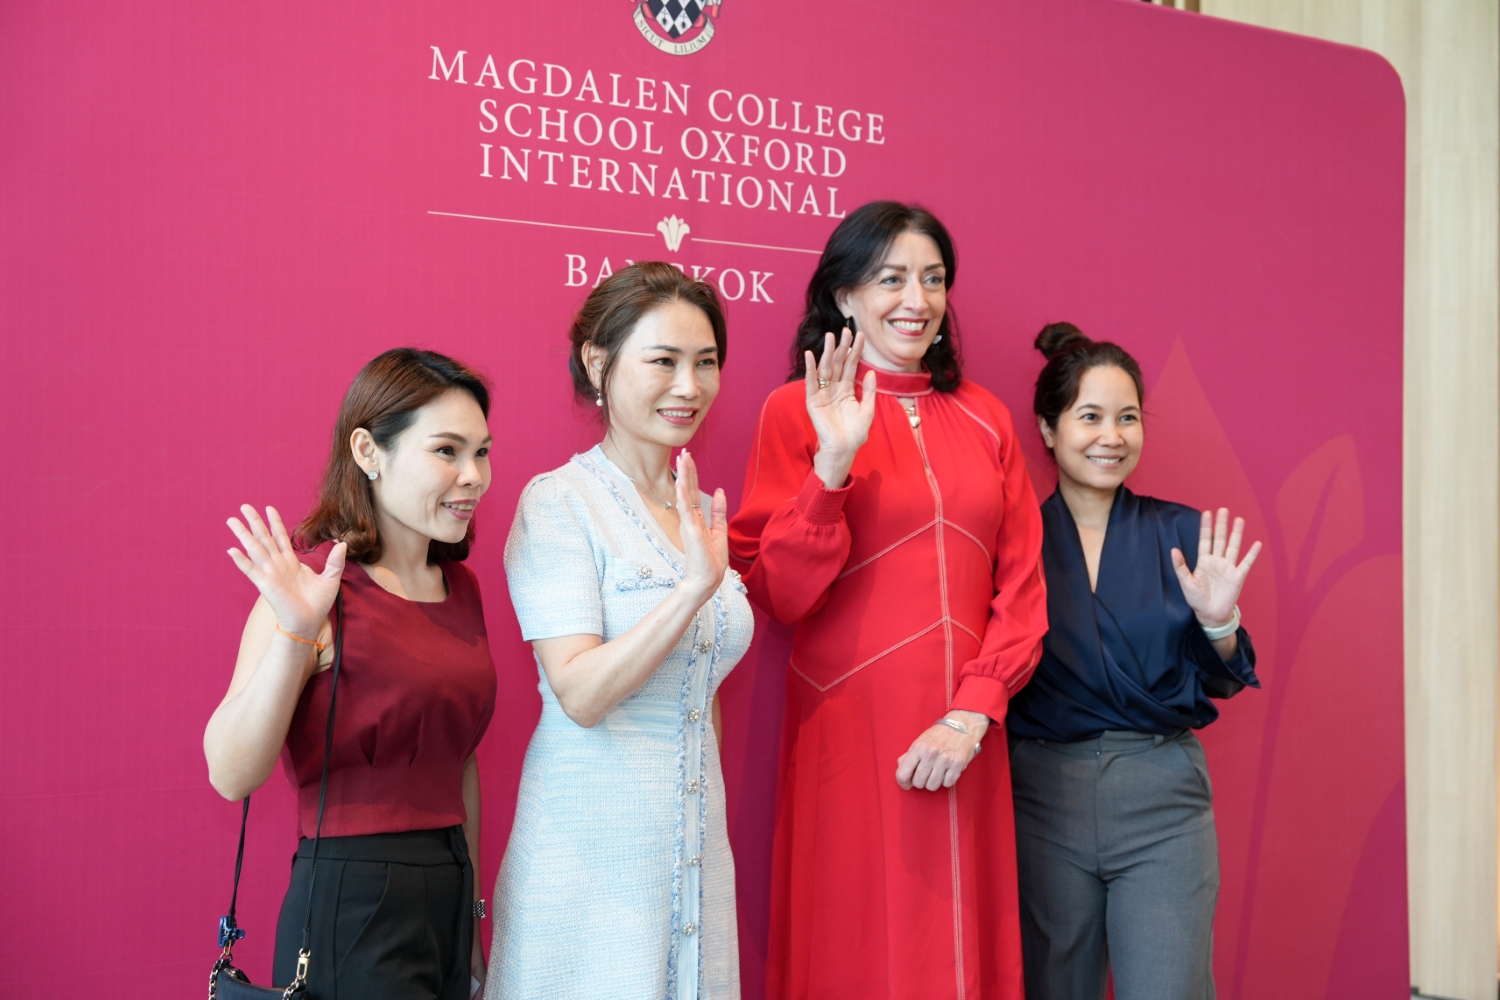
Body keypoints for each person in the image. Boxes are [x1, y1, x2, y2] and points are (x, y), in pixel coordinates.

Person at [728, 202, 1049, 999]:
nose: (917, 298)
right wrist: (832, 464)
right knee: (859, 945)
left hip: (967, 734)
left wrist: (974, 709)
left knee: (961, 944)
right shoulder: (790, 410)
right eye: (891, 278)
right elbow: (779, 594)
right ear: (843, 297)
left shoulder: (987, 416)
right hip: (850, 731)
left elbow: (1023, 586)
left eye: (933, 279)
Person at [487, 262, 750, 1000]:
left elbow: (703, 687)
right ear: (598, 363)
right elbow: (581, 692)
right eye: (663, 361)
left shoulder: (696, 506)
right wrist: (694, 588)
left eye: (705, 363)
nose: (689, 386)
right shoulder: (559, 504)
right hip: (588, 856)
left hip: (693, 855)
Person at [204, 348, 497, 999]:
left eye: (482, 452)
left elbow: (461, 762)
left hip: (448, 892)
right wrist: (295, 633)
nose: (473, 475)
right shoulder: (313, 594)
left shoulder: (464, 589)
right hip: (354, 901)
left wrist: (472, 913)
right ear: (368, 451)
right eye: (447, 451)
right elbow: (230, 773)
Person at [1007, 323, 1262, 1000]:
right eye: (1089, 417)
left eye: (1127, 418)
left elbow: (1222, 676)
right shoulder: (1013, 542)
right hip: (1043, 800)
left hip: (1163, 801)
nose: (1111, 437)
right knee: (1056, 987)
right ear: (1048, 428)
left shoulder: (1182, 534)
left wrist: (1220, 622)